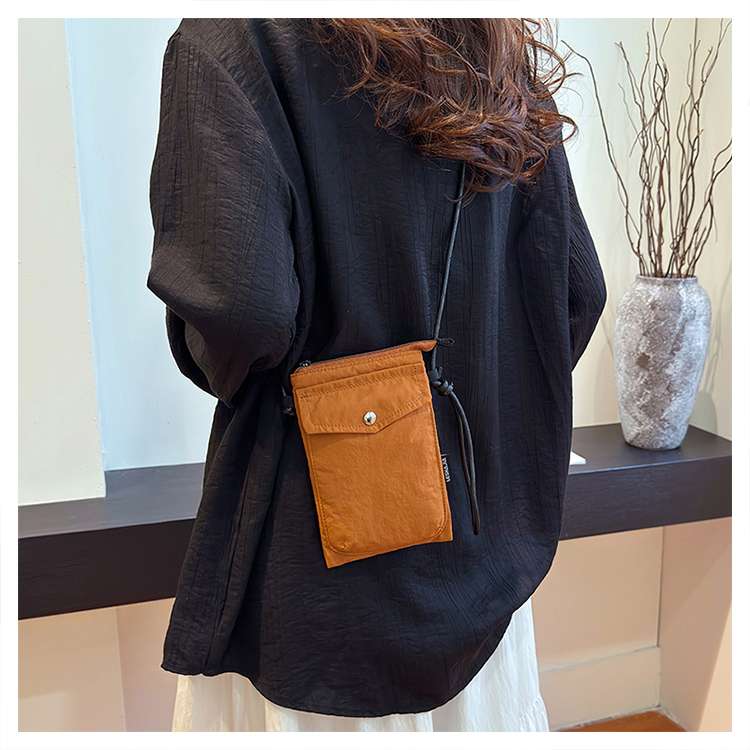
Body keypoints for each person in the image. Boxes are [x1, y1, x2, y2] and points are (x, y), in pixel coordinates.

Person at [147, 18, 607, 731]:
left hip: (317, 593)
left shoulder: (237, 40)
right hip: (482, 577)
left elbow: (240, 308)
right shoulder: (492, 51)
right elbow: (576, 292)